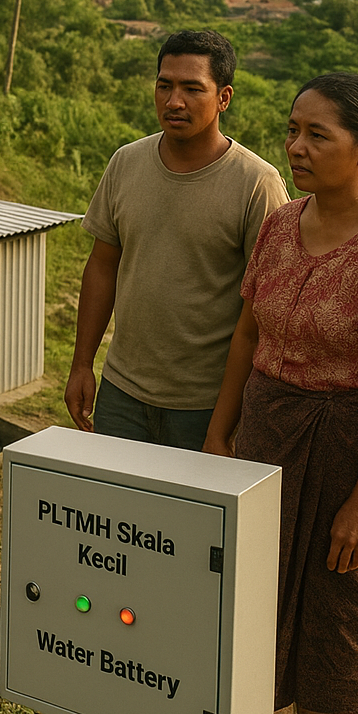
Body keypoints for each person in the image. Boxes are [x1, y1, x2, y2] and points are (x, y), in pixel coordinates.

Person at [205, 72, 358, 714]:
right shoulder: (281, 224)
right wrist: (218, 435)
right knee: (252, 606)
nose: (297, 147)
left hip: (345, 452)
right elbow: (247, 337)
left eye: (317, 134)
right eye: (292, 131)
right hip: (264, 440)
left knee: (344, 616)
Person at [64, 29, 289, 449]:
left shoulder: (257, 184)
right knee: (120, 511)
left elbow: (264, 309)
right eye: (164, 85)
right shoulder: (126, 163)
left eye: (191, 88)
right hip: (121, 393)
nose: (174, 101)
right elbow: (102, 266)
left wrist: (226, 423)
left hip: (207, 405)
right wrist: (82, 365)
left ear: (224, 98)